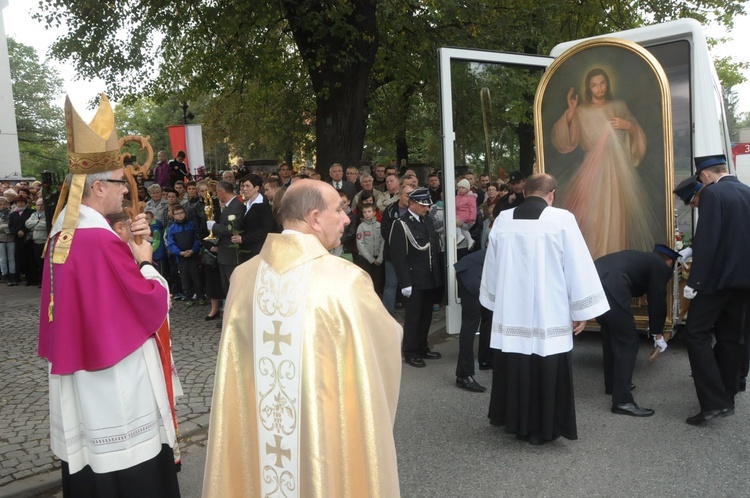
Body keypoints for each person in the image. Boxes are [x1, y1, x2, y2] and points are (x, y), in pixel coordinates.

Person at [202, 180, 402, 497]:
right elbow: (385, 347)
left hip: (262, 436)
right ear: (315, 218)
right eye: (339, 209)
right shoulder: (346, 280)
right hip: (322, 435)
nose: (347, 218)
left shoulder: (243, 277)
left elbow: (237, 380)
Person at [37, 95, 180, 496]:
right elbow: (148, 303)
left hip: (80, 372)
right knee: (127, 466)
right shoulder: (99, 240)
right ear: (98, 186)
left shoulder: (60, 235)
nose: (126, 190)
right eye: (121, 182)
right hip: (115, 376)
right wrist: (147, 262)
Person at [480, 173, 609, 445]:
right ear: (552, 194)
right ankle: (544, 428)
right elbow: (577, 265)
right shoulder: (561, 219)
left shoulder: (503, 220)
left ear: (525, 193)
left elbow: (491, 263)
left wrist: (493, 299)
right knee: (546, 363)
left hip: (512, 309)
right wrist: (581, 310)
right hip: (549, 309)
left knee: (516, 363)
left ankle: (516, 423)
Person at [551, 67, 658, 259]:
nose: (599, 88)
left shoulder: (619, 105)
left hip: (617, 169)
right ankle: (593, 262)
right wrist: (571, 110)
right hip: (592, 170)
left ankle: (616, 261)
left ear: (607, 84)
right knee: (593, 216)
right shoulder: (581, 111)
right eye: (594, 85)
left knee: (617, 217)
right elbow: (564, 141)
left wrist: (629, 126)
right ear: (588, 88)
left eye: (602, 83)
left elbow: (637, 132)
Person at [682, 154, 750, 425]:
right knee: (732, 337)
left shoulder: (713, 194)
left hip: (717, 281)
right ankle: (729, 395)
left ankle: (714, 403)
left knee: (695, 334)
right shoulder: (747, 191)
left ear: (705, 175)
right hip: (744, 282)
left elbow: (708, 241)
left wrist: (693, 283)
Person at [595, 244, 679, 417]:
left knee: (611, 332)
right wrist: (657, 334)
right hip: (612, 284)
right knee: (629, 341)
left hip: (592, 279)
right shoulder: (660, 265)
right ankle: (623, 401)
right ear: (669, 261)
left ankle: (613, 385)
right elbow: (657, 300)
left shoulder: (641, 258)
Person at [390, 186, 443, 368]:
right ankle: (410, 351)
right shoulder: (401, 224)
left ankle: (422, 346)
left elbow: (433, 249)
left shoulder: (426, 221)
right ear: (412, 204)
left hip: (428, 277)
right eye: (423, 205)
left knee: (426, 316)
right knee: (413, 317)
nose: (427, 208)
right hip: (413, 279)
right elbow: (399, 256)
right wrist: (405, 282)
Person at [454, 248, 493, 393]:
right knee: (471, 321)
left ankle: (486, 360)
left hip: (482, 273)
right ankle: (463, 375)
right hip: (471, 272)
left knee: (489, 315)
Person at [207, 180, 246, 296]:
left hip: (232, 253)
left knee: (233, 287)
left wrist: (214, 226)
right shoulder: (231, 206)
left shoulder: (236, 206)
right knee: (227, 286)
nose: (216, 195)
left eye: (217, 192)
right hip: (225, 252)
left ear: (221, 192)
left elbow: (231, 229)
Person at [234, 174, 274, 263]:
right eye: (243, 186)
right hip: (247, 249)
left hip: (258, 249)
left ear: (256, 188)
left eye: (247, 186)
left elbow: (266, 229)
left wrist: (244, 239)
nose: (244, 189)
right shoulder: (247, 203)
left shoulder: (263, 204)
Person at [355, 203, 385, 296]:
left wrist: (380, 258)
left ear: (374, 212)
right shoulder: (361, 227)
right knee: (367, 282)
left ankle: (378, 303)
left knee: (377, 282)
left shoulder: (379, 226)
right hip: (366, 259)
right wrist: (371, 259)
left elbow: (383, 242)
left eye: (369, 211)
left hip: (378, 259)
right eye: (364, 212)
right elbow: (360, 243)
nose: (367, 214)